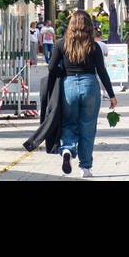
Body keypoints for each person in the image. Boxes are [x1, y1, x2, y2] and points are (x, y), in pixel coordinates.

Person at [47, 11, 116, 178]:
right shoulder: (94, 46)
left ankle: (68, 150)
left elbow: (51, 68)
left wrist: (62, 71)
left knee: (69, 123)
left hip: (68, 86)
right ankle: (85, 168)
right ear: (89, 26)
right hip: (90, 86)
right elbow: (102, 71)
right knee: (88, 126)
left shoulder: (61, 44)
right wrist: (112, 95)